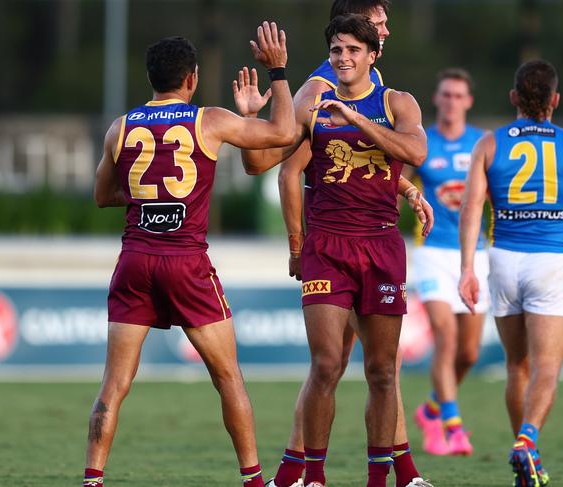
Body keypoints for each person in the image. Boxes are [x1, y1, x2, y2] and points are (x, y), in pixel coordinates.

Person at [83, 25, 294, 487]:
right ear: (192, 79)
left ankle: (92, 479)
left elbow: (104, 195)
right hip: (186, 263)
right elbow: (284, 130)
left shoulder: (121, 127)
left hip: (135, 260)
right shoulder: (210, 120)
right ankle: (254, 480)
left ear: (150, 78)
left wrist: (146, 200)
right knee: (228, 377)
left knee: (113, 387)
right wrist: (276, 71)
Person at [238, 14, 430, 487]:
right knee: (326, 364)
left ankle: (379, 479)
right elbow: (262, 164)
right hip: (327, 244)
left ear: (373, 55)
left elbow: (416, 153)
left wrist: (358, 121)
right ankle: (314, 477)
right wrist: (248, 120)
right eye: (337, 50)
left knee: (383, 371)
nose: (343, 59)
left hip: (382, 245)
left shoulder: (397, 102)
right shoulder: (314, 102)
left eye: (353, 51)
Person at [458, 59, 563, 487]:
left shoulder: (489, 144)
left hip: (503, 258)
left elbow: (471, 207)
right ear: (555, 101)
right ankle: (527, 440)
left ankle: (527, 460)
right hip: (549, 262)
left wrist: (467, 267)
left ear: (513, 99)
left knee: (516, 365)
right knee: (547, 366)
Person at [408, 68, 487, 456]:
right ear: (436, 100)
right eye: (446, 95)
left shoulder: (481, 145)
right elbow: (397, 185)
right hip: (433, 251)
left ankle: (431, 409)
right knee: (446, 336)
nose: (452, 101)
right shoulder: (423, 144)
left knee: (469, 353)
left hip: (475, 253)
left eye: (459, 95)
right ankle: (453, 426)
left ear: (468, 102)